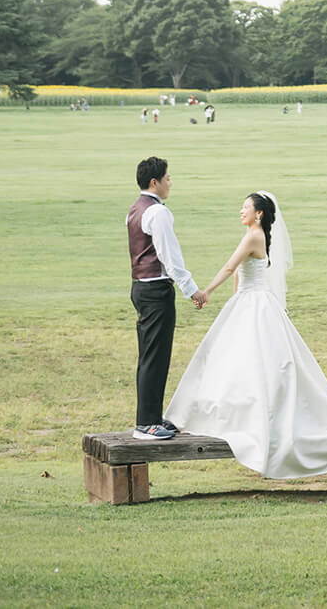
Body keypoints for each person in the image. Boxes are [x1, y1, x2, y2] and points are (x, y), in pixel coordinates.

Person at [168, 190, 327, 480]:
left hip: (254, 302)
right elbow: (240, 273)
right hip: (250, 300)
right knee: (240, 358)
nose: (241, 211)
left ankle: (249, 416)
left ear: (259, 213)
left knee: (249, 359)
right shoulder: (254, 234)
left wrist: (207, 292)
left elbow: (230, 266)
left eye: (246, 207)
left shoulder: (253, 236)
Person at [126, 157, 206, 441]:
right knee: (155, 358)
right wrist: (191, 289)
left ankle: (149, 417)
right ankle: (146, 424)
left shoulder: (135, 209)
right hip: (156, 289)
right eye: (168, 178)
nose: (170, 183)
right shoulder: (158, 213)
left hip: (140, 287)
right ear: (154, 182)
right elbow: (169, 256)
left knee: (151, 356)